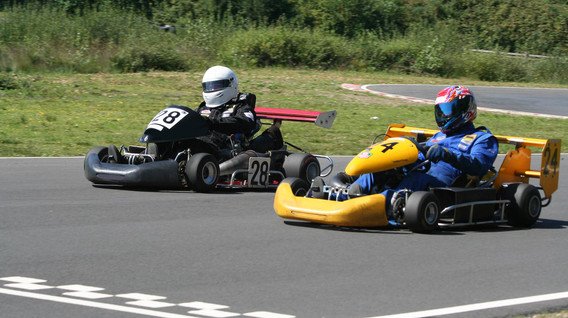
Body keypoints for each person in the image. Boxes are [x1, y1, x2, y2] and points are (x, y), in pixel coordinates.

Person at [312, 85, 498, 218]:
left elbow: (479, 166)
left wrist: (448, 155)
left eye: (449, 111)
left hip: (442, 182)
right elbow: (421, 152)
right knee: (380, 169)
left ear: (465, 109)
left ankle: (372, 206)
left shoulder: (482, 139)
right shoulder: (438, 136)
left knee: (415, 180)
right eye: (441, 111)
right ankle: (342, 195)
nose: (444, 116)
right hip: (417, 168)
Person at [195, 65, 283, 159]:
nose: (212, 89)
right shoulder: (202, 108)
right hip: (197, 144)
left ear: (231, 84)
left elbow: (245, 122)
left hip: (223, 148)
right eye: (208, 86)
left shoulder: (240, 106)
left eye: (216, 86)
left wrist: (212, 122)